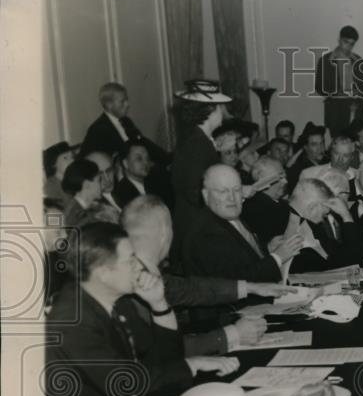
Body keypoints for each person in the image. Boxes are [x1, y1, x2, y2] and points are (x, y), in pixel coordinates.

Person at [45, 222, 236, 396]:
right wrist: (192, 364)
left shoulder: (114, 302)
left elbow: (161, 362)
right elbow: (123, 382)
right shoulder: (71, 319)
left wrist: (159, 303)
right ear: (104, 274)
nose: (139, 266)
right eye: (130, 260)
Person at [121, 196, 280, 356]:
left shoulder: (135, 271)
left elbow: (190, 288)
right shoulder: (133, 285)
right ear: (165, 233)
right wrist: (232, 335)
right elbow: (156, 353)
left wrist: (251, 287)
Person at [182, 165, 303, 282]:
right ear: (206, 195)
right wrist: (277, 257)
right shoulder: (206, 233)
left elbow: (241, 261)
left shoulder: (229, 216)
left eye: (236, 190)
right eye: (223, 191)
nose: (232, 198)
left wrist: (267, 249)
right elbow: (234, 284)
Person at [171, 80, 232, 248]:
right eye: (221, 107)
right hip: (195, 231)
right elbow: (195, 193)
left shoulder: (198, 139)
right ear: (211, 110)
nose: (224, 113)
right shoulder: (197, 144)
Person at [79, 82, 168, 170]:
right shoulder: (98, 130)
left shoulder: (126, 121)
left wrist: (167, 158)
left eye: (127, 100)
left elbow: (143, 143)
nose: (127, 104)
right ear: (109, 105)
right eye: (122, 101)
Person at [285, 177, 363, 273]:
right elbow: (350, 264)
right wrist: (346, 216)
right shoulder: (293, 234)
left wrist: (346, 217)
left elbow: (347, 257)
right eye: (325, 208)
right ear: (312, 207)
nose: (328, 211)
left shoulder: (312, 225)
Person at [315, 25, 363, 137]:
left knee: (356, 144)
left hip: (356, 109)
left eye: (352, 44)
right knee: (338, 144)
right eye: (346, 42)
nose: (348, 47)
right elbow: (319, 88)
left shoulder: (358, 60)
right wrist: (337, 91)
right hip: (335, 111)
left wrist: (357, 90)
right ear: (339, 40)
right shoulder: (325, 60)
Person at [241, 155, 291, 246]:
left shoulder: (279, 203)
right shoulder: (257, 209)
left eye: (284, 175)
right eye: (279, 177)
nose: (285, 181)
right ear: (262, 180)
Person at [61, 159, 109, 228]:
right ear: (87, 185)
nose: (103, 184)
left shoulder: (87, 207)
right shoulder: (75, 217)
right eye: (99, 180)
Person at [111, 142, 156, 209]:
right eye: (139, 158)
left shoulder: (154, 184)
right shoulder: (121, 193)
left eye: (147, 158)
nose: (146, 163)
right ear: (125, 163)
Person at [287, 123, 329, 191]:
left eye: (322, 143)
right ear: (306, 147)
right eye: (314, 145)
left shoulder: (328, 162)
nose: (320, 148)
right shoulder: (297, 170)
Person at [43, 142, 77, 208]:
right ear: (54, 163)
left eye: (72, 157)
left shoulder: (72, 180)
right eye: (65, 158)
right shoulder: (51, 187)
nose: (72, 161)